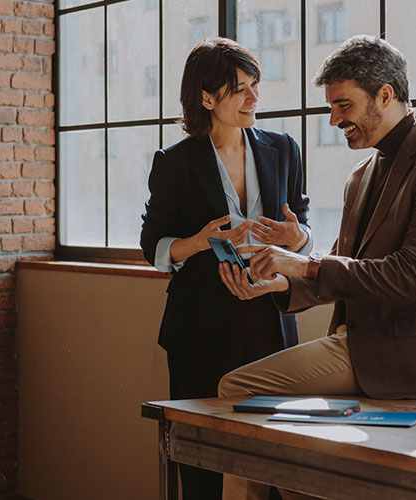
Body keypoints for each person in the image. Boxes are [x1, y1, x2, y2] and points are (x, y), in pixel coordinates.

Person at [216, 35, 416, 499]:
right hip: (358, 343)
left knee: (237, 388)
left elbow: (413, 277)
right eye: (332, 107)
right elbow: (340, 271)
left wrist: (303, 268)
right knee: (293, 450)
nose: (335, 119)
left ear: (385, 94)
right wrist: (279, 282)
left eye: (344, 105)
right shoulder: (361, 176)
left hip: (411, 356)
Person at [140, 38, 312, 500]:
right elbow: (151, 245)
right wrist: (199, 242)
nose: (254, 98)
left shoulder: (284, 149)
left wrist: (298, 240)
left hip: (271, 317)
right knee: (200, 458)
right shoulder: (174, 163)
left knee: (278, 455)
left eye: (255, 85)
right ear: (207, 97)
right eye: (240, 89)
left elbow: (304, 229)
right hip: (199, 326)